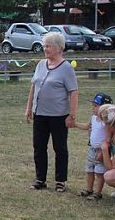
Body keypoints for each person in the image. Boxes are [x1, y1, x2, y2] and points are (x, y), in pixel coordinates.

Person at [24, 31, 79, 192]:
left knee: (60, 148)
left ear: (59, 48)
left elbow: (74, 92)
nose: (45, 49)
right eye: (44, 46)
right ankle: (40, 178)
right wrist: (29, 108)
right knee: (39, 146)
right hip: (39, 114)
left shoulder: (66, 68)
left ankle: (60, 180)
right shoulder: (41, 64)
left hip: (58, 116)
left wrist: (72, 114)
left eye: (48, 46)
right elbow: (34, 86)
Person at [74, 92, 112, 200]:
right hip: (92, 149)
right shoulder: (93, 118)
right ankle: (88, 189)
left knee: (99, 172)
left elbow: (109, 138)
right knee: (89, 170)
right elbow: (87, 126)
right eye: (93, 106)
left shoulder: (107, 122)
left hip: (102, 151)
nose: (93, 108)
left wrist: (104, 152)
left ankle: (98, 192)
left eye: (96, 106)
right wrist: (75, 124)